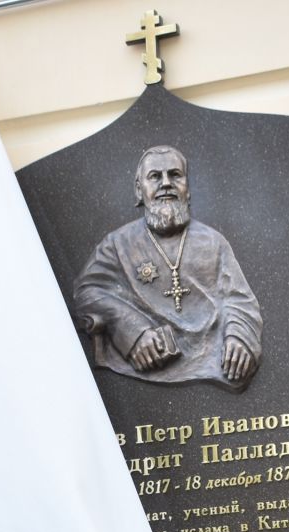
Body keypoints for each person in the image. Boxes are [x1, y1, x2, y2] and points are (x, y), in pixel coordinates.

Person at [72, 144, 262, 389]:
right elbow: (86, 293)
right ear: (139, 190)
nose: (166, 183)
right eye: (155, 176)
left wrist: (239, 337)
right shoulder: (117, 244)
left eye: (175, 175)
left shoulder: (213, 242)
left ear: (188, 188)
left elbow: (239, 299)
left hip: (214, 359)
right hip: (149, 357)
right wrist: (132, 331)